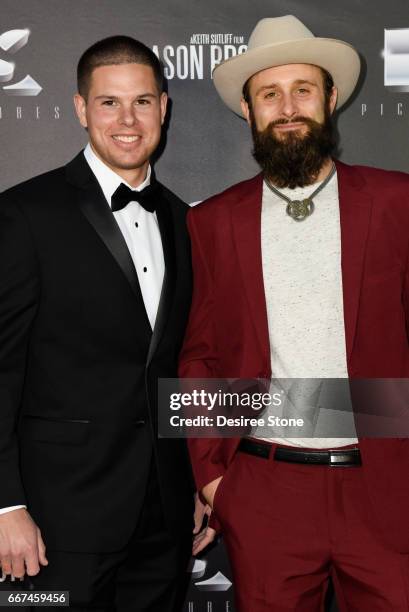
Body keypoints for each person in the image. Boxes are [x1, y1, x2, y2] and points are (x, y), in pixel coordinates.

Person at [179, 15, 409, 611]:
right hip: (265, 486)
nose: (287, 107)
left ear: (330, 99)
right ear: (249, 112)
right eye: (269, 94)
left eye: (302, 90)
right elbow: (199, 356)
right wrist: (213, 477)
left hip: (387, 486)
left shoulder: (397, 202)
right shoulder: (212, 221)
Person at [0, 35, 196, 611]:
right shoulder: (23, 215)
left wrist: (197, 486)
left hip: (164, 521)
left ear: (164, 107)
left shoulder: (187, 223)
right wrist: (5, 505)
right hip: (56, 522)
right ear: (82, 109)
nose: (128, 120)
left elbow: (181, 366)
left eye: (142, 101)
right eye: (109, 103)